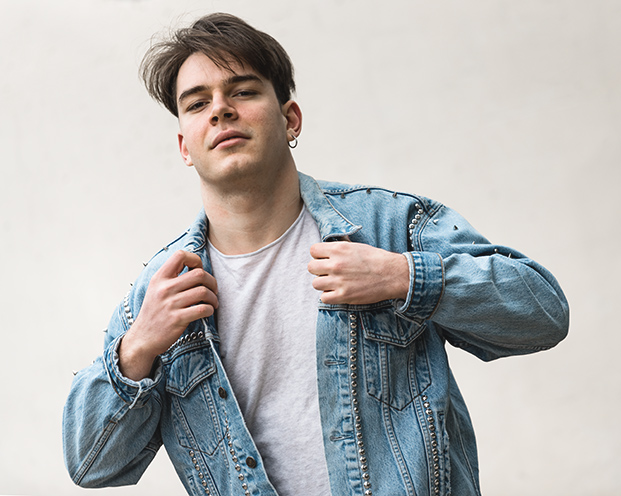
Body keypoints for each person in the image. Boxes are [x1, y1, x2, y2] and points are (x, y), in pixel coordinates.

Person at [62, 12, 569, 496]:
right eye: (197, 104)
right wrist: (137, 350)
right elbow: (89, 463)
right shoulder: (163, 289)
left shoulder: (388, 228)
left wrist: (403, 277)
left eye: (242, 91)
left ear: (290, 119)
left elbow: (544, 313)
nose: (220, 109)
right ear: (184, 146)